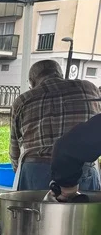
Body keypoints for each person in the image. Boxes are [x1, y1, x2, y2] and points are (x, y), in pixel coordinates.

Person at [9, 59, 101, 191]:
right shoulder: (88, 88)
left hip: (35, 170)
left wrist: (17, 169)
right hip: (81, 168)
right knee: (86, 205)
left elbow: (15, 148)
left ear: (32, 82)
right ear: (60, 74)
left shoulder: (23, 100)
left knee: (34, 205)